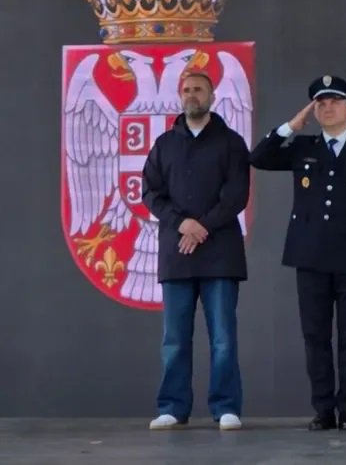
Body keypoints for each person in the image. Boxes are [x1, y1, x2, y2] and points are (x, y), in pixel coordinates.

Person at [250, 74, 346, 431]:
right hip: (310, 255)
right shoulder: (303, 147)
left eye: (335, 102)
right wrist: (292, 125)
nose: (328, 108)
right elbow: (259, 157)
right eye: (321, 103)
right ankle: (323, 409)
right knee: (315, 336)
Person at [142, 71, 251, 431]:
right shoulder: (164, 145)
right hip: (177, 253)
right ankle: (172, 407)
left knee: (223, 338)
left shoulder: (231, 143)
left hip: (220, 254)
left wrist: (201, 226)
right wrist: (182, 224)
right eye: (186, 90)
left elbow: (236, 195)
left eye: (198, 89)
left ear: (212, 96)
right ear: (180, 96)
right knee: (174, 339)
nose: (192, 95)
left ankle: (226, 407)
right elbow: (150, 193)